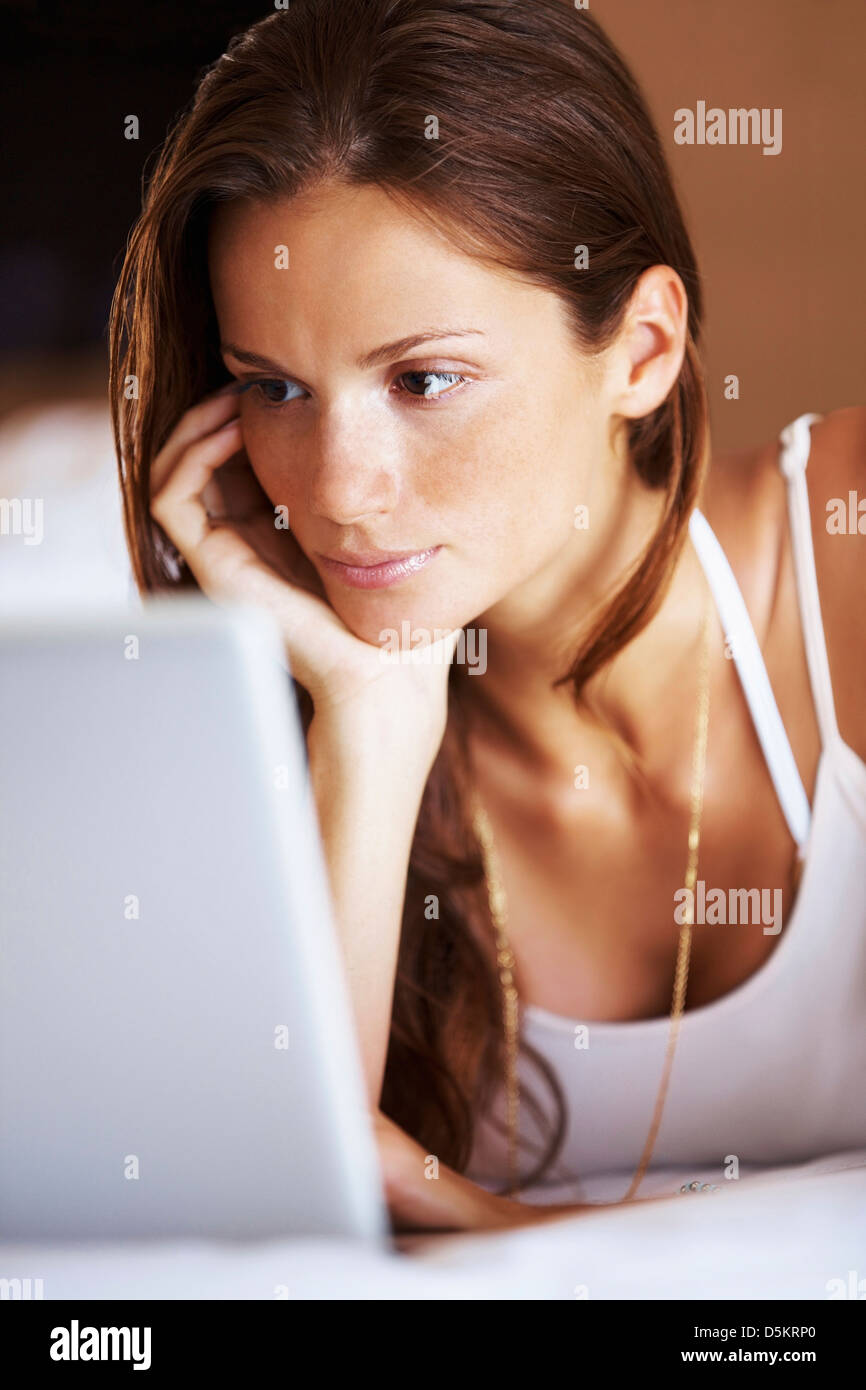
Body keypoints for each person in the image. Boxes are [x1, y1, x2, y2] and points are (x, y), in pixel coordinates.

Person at [110, 0, 866, 1232]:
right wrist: (369, 716)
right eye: (275, 387)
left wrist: (469, 1213)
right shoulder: (262, 714)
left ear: (641, 348)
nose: (337, 489)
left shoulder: (843, 549)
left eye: (424, 379)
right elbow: (265, 1233)